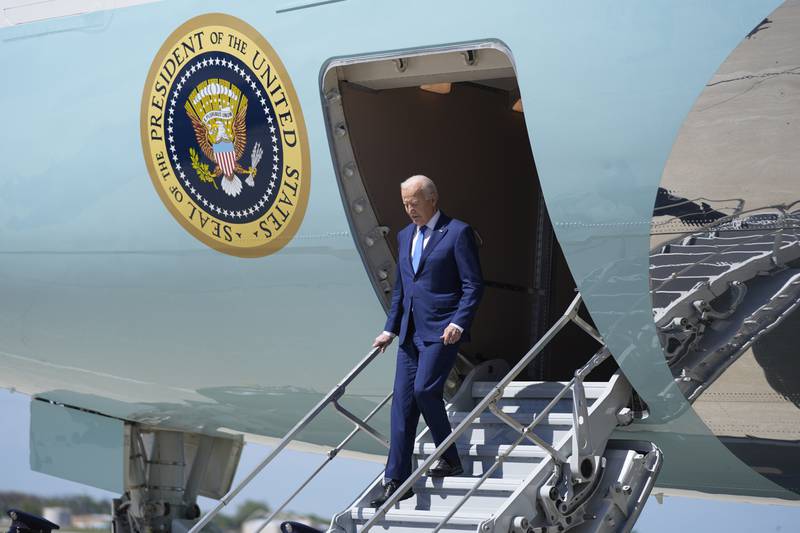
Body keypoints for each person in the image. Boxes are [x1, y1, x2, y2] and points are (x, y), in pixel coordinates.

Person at [370, 175, 483, 508]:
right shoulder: (405, 236)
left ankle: (448, 455)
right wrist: (390, 329)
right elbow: (402, 290)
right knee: (402, 407)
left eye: (414, 203)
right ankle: (396, 481)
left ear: (432, 199)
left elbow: (473, 285)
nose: (409, 210)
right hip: (409, 333)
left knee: (424, 391)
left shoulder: (458, 232)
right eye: (405, 204)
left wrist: (459, 323)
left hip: (441, 332)